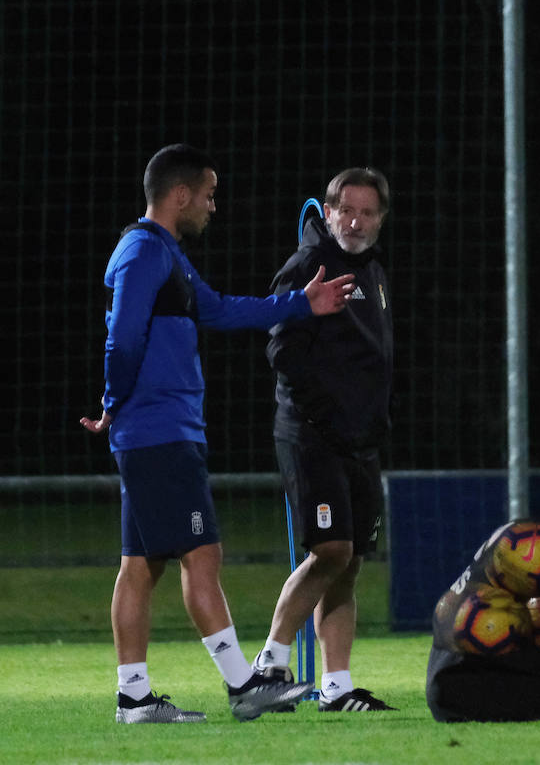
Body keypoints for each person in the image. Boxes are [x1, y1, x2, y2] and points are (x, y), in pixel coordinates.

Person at [80, 143, 355, 724]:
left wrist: (301, 305)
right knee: (201, 553)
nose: (212, 206)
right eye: (207, 194)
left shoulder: (166, 256)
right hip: (157, 430)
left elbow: (221, 310)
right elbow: (122, 340)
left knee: (140, 565)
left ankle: (134, 697)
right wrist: (114, 403)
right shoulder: (142, 253)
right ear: (179, 195)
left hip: (156, 427)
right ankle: (242, 686)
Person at [253, 167, 396, 711]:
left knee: (352, 558)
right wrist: (325, 415)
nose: (356, 222)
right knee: (330, 551)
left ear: (380, 219)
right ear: (329, 212)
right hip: (312, 435)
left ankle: (335, 687)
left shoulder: (375, 271)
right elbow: (281, 350)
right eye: (347, 211)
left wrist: (379, 415)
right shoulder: (310, 266)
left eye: (367, 212)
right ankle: (269, 665)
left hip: (361, 439)